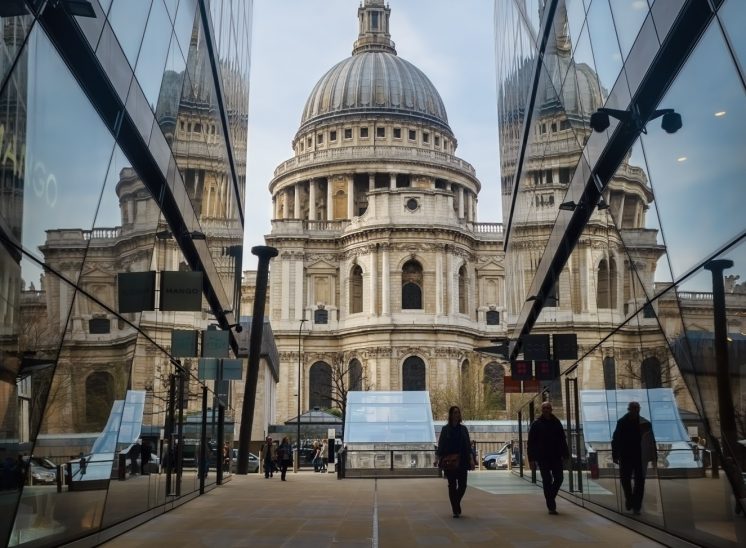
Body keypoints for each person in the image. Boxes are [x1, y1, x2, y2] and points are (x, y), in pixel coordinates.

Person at [612, 401, 658, 515]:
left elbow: (651, 441)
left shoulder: (625, 422)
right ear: (630, 409)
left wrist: (615, 454)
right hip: (630, 455)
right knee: (631, 480)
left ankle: (635, 503)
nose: (635, 411)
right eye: (634, 409)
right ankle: (632, 501)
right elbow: (651, 441)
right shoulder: (641, 423)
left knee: (637, 481)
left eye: (636, 409)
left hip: (634, 456)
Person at [527, 401, 569, 515]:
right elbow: (531, 443)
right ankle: (551, 506)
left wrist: (566, 455)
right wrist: (531, 459)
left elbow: (562, 440)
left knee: (559, 478)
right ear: (542, 410)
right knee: (547, 479)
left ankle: (550, 496)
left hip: (555, 456)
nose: (546, 409)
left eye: (548, 408)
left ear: (551, 410)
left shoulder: (557, 423)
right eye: (544, 408)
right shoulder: (536, 424)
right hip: (543, 457)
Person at [436, 405, 476, 518]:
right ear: (450, 415)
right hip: (450, 461)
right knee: (452, 485)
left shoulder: (463, 429)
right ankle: (455, 509)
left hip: (462, 460)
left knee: (463, 485)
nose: (457, 414)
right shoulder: (445, 429)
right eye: (454, 412)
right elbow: (441, 445)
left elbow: (468, 446)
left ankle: (456, 503)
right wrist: (438, 458)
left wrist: (471, 459)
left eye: (458, 412)